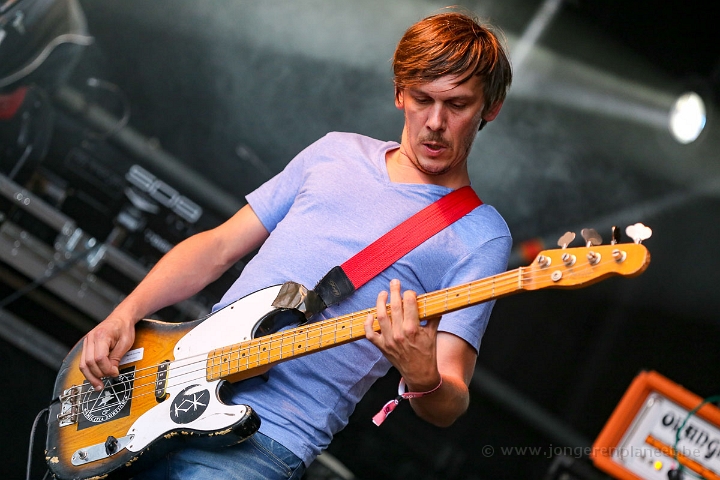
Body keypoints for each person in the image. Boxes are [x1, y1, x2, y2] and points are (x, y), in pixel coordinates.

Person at [79, 10, 513, 480]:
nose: (435, 122)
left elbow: (449, 403)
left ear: (490, 107)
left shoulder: (479, 235)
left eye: (457, 105)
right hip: (168, 395)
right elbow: (219, 246)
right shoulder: (336, 151)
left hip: (267, 441)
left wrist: (423, 375)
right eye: (422, 99)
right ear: (398, 93)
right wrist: (125, 313)